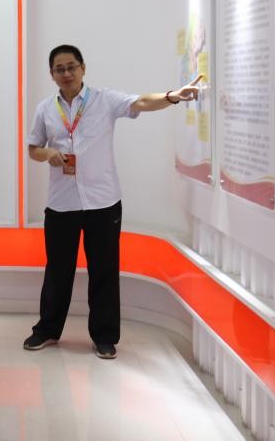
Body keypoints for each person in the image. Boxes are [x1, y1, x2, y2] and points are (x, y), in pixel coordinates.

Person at [23, 44, 201, 359]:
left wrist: (173, 96)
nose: (66, 73)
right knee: (58, 271)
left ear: (83, 68)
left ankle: (104, 336)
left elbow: (141, 102)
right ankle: (47, 330)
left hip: (103, 202)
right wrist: (48, 153)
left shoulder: (104, 100)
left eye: (71, 66)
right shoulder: (45, 109)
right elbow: (33, 148)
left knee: (104, 270)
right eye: (59, 69)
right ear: (52, 74)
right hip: (61, 204)